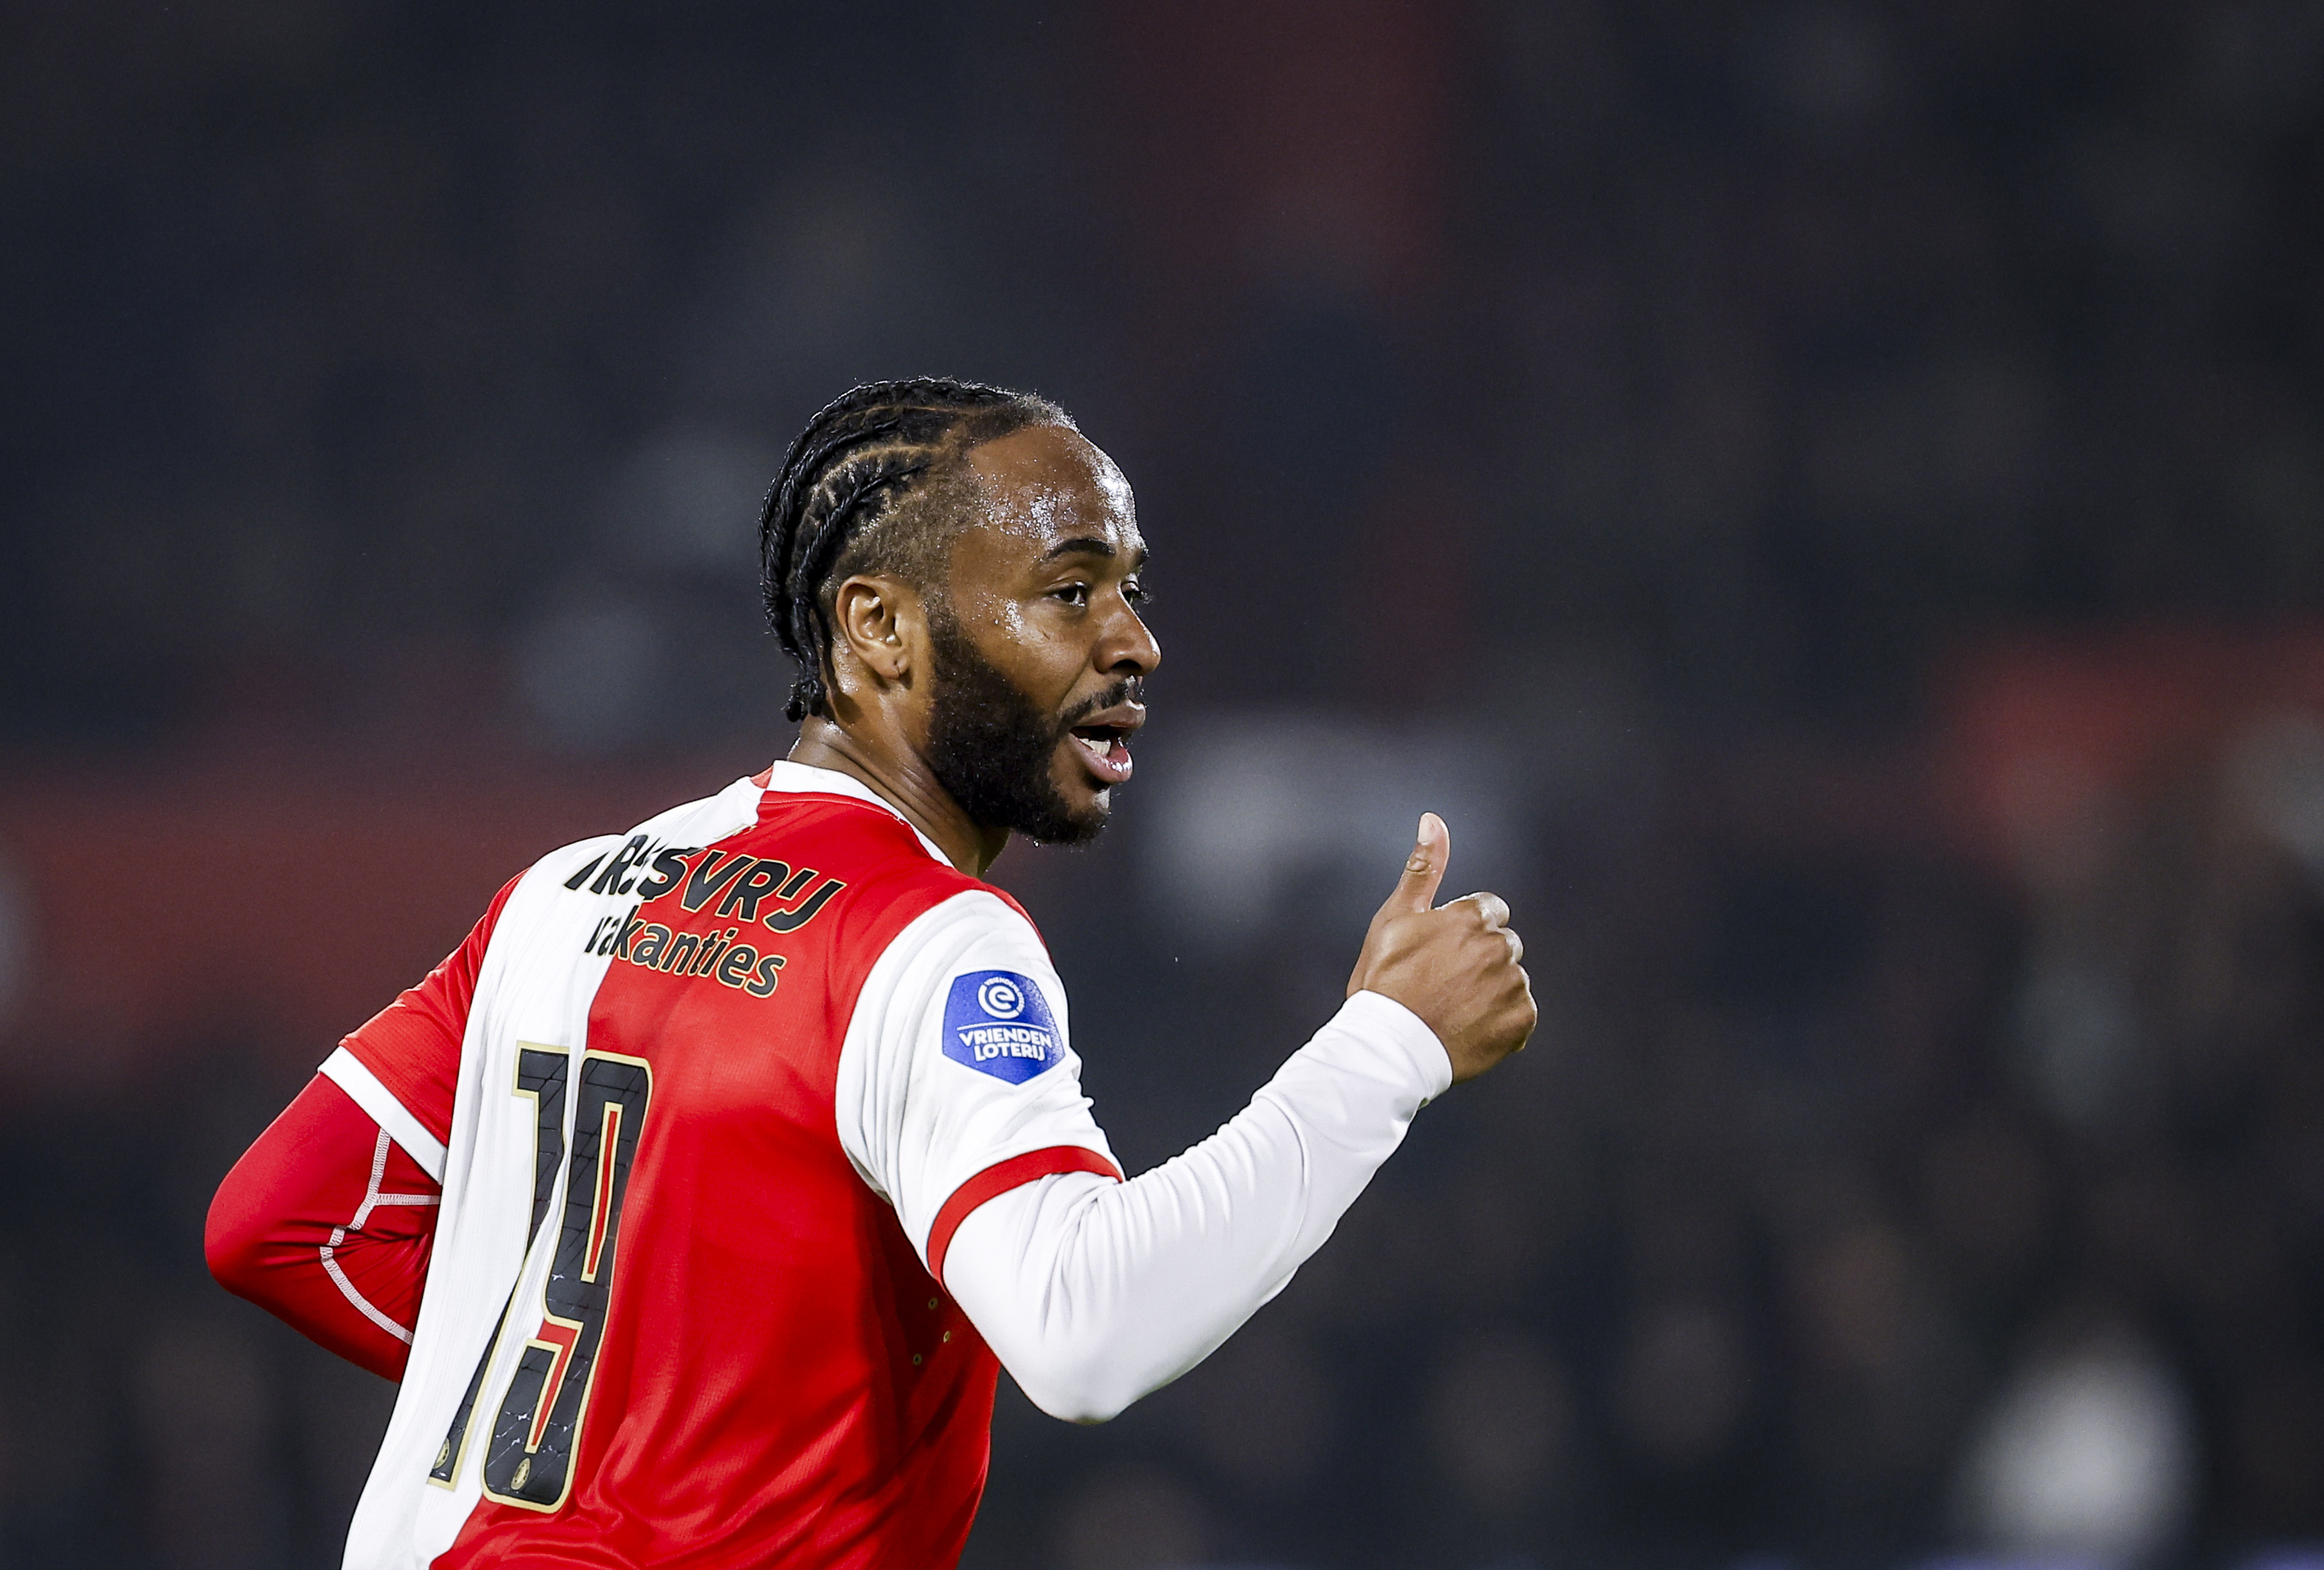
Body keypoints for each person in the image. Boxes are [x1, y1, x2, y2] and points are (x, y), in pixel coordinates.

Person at [205, 378, 1537, 1568]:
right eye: (1071, 590)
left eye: (1132, 589)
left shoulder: (566, 892)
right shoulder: (926, 938)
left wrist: (592, 1427)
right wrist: (1387, 1045)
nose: (1134, 643)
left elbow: (280, 1221)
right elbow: (1084, 1326)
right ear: (881, 628)